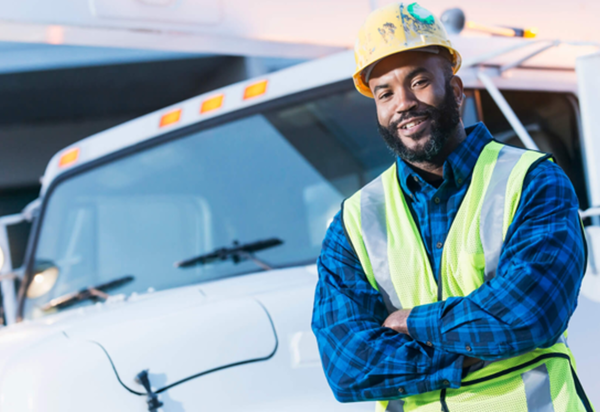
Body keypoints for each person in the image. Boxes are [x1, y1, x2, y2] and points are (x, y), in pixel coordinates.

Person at [311, 2, 594, 411]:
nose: (403, 103)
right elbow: (347, 364)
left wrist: (411, 322)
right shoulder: (353, 222)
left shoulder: (532, 180)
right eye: (384, 93)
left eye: (420, 81)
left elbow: (531, 314)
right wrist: (464, 355)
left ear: (456, 91)